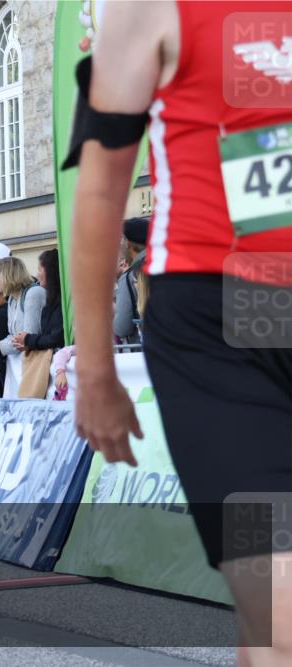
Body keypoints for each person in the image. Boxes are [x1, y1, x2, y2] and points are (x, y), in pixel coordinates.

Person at [67, 2, 292, 662]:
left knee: (267, 624)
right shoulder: (150, 7)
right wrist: (95, 368)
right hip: (220, 338)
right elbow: (102, 191)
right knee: (280, 608)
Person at [0, 256, 44, 398]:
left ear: (6, 275)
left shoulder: (33, 294)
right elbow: (13, 335)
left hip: (37, 365)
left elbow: (28, 337)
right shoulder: (12, 298)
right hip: (21, 366)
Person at [19, 249, 64, 353]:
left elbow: (56, 338)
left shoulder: (60, 299)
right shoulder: (51, 298)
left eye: (39, 270)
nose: (37, 274)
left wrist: (28, 339)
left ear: (51, 271)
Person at [113, 217, 149, 345]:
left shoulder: (129, 277)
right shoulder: (165, 266)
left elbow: (122, 328)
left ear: (127, 243)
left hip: (141, 355)